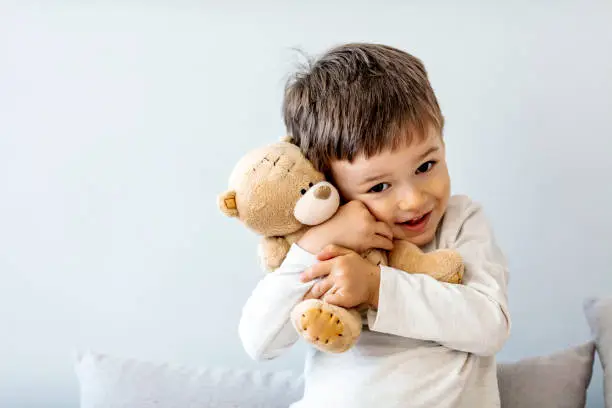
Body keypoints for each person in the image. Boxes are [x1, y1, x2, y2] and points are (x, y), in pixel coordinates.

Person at [238, 43, 511, 408]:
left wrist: (375, 287)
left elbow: (488, 324)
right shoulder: (325, 246)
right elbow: (259, 342)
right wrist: (312, 246)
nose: (413, 199)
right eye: (379, 187)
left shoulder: (460, 222)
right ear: (330, 185)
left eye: (426, 166)